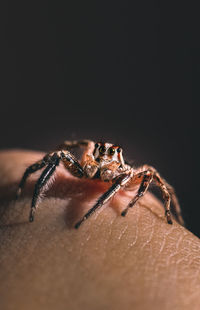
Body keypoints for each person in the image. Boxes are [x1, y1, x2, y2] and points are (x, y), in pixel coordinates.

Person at [0, 150, 199, 310]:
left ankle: (89, 214)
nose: (105, 159)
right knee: (58, 155)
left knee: (152, 173)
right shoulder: (86, 160)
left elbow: (160, 185)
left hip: (123, 181)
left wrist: (136, 203)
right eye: (101, 153)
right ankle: (33, 202)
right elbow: (75, 149)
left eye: (111, 155)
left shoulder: (129, 174)